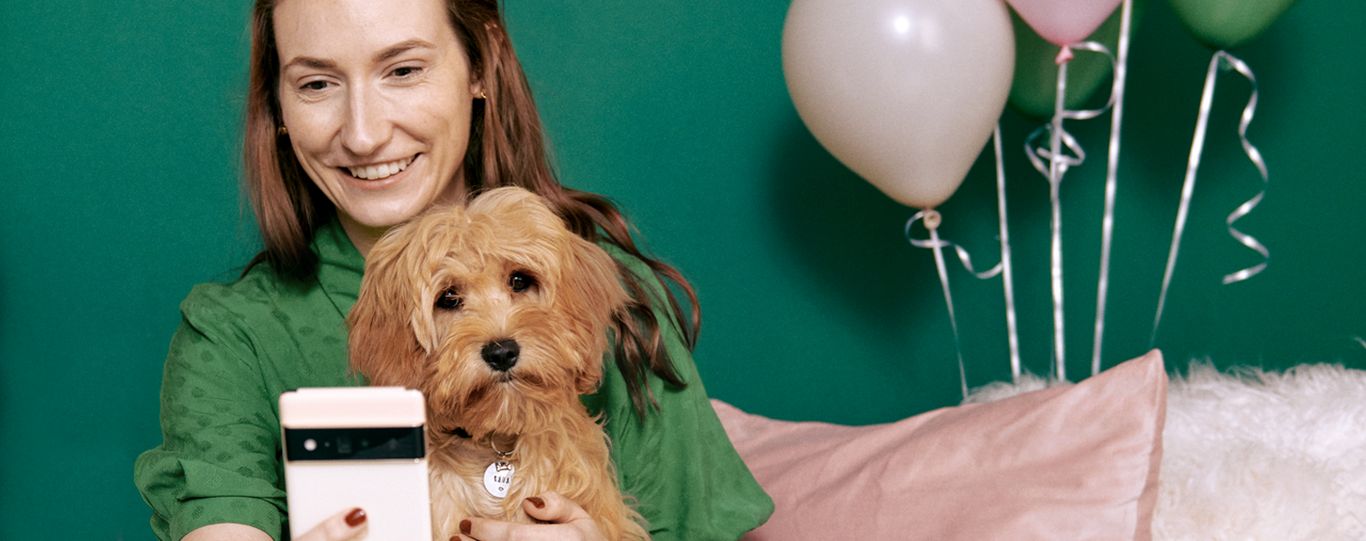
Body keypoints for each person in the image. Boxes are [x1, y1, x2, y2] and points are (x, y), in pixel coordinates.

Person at [132, 0, 774, 539]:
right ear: (276, 104)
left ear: (481, 64)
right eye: (317, 83)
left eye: (403, 69)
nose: (362, 133)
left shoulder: (614, 295)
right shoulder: (231, 334)